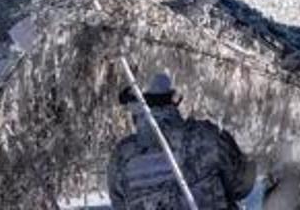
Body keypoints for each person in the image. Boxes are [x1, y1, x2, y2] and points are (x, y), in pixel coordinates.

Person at [107, 72, 254, 210]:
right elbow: (242, 185)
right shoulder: (206, 137)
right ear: (173, 98)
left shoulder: (122, 156)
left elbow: (119, 204)